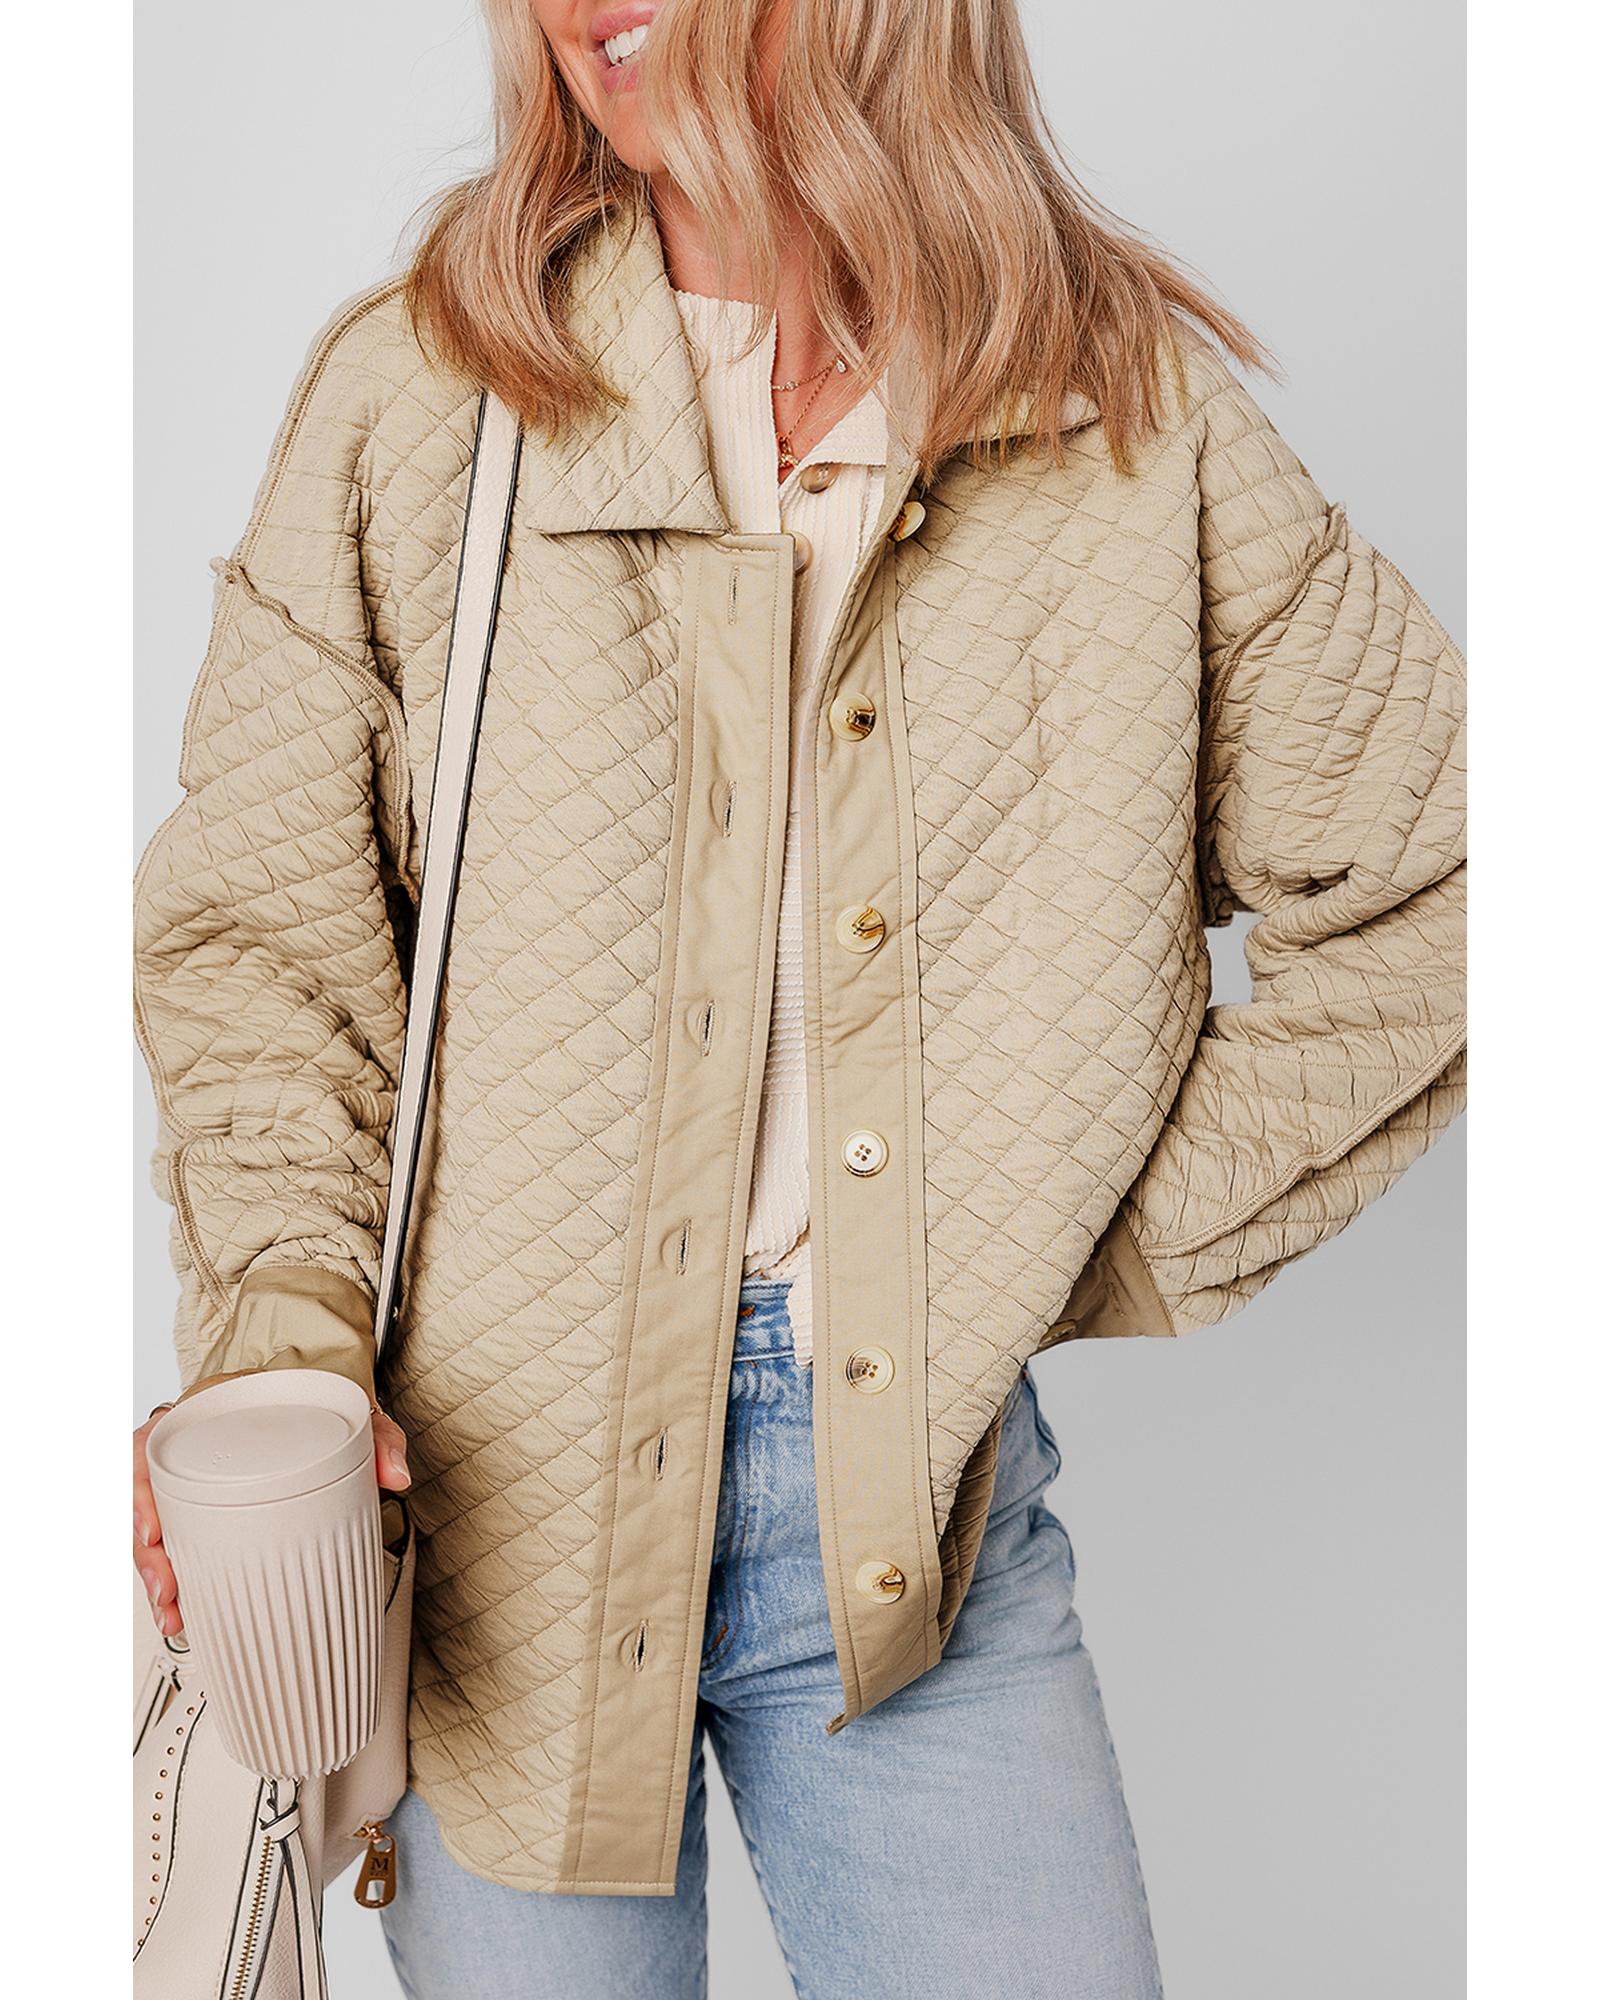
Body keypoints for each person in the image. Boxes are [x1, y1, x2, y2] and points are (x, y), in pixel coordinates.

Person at [130, 2, 1467, 1994]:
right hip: (494, 1533)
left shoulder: (1125, 418)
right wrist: (278, 1342)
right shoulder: (428, 392)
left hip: (921, 1532)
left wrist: (1059, 1227)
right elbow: (264, 938)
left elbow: (1454, 884)